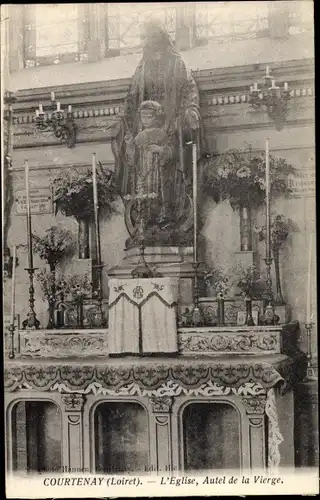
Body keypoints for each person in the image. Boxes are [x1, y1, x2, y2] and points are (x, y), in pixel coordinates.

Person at [110, 20, 206, 246]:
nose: (147, 42)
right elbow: (131, 99)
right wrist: (122, 120)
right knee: (144, 179)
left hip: (170, 132)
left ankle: (169, 220)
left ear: (161, 37)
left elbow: (189, 91)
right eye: (144, 38)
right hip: (145, 133)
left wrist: (190, 111)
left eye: (150, 36)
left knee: (168, 177)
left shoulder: (177, 63)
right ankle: (146, 221)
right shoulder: (141, 68)